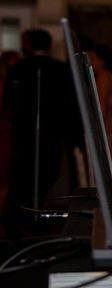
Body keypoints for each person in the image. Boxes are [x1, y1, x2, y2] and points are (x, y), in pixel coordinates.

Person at [2, 29, 81, 242]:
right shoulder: (61, 69)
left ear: (28, 45)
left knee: (23, 177)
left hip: (24, 135)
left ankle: (23, 217)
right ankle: (29, 217)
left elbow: (8, 103)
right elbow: (71, 105)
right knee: (45, 175)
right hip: (52, 135)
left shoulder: (18, 68)